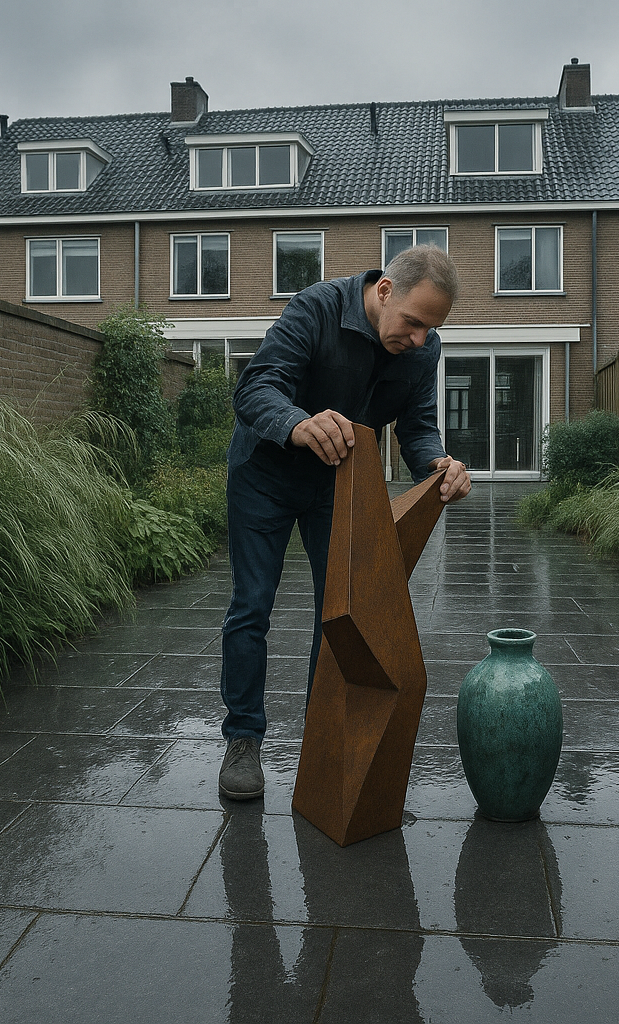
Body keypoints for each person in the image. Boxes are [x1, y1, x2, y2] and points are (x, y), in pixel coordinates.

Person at [217, 245, 472, 800]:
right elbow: (255, 389)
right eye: (413, 323)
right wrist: (298, 423)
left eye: (432, 329)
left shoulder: (420, 349)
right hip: (265, 473)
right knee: (251, 606)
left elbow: (418, 428)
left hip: (336, 482)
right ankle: (242, 739)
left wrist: (439, 465)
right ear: (384, 291)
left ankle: (321, 734)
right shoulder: (314, 309)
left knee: (339, 615)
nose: (421, 340)